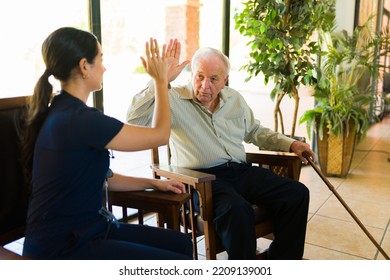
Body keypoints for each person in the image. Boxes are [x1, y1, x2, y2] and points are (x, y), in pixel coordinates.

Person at [126, 39, 316, 260]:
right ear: (191, 74)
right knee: (237, 209)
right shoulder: (172, 98)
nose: (205, 85)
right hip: (203, 181)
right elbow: (134, 118)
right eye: (200, 76)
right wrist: (159, 81)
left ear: (225, 80)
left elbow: (255, 131)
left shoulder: (234, 98)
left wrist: (291, 143)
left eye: (214, 79)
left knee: (297, 193)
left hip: (241, 171)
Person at [21, 27, 193, 260]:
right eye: (100, 60)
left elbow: (101, 177)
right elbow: (160, 135)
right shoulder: (80, 120)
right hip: (63, 246)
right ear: (84, 66)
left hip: (91, 229)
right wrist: (160, 81)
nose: (104, 68)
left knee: (182, 244)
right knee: (177, 261)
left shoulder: (65, 110)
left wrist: (153, 184)